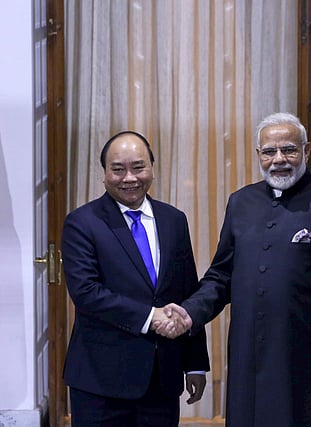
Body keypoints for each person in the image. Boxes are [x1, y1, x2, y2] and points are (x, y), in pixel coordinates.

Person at [156, 113, 311, 426]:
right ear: (259, 155)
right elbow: (221, 277)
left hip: (308, 370)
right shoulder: (241, 202)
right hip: (248, 365)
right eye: (269, 151)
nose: (279, 159)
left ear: (306, 151)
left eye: (289, 150)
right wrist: (190, 313)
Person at [61, 130, 209, 427]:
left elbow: (187, 291)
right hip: (101, 383)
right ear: (104, 174)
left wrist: (195, 364)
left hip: (162, 379)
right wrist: (151, 317)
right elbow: (87, 293)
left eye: (138, 167)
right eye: (118, 169)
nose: (129, 178)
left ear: (152, 168)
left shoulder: (174, 220)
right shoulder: (82, 223)